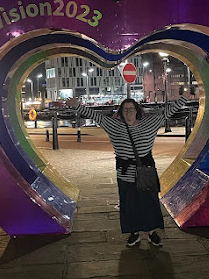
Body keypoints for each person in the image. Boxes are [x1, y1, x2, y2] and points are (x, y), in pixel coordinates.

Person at [66, 95, 188, 247]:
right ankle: (134, 232)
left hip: (146, 172)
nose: (129, 112)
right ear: (121, 112)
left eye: (131, 109)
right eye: (125, 109)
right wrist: (77, 105)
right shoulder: (114, 125)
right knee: (129, 203)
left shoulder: (150, 123)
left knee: (149, 203)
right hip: (125, 173)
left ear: (137, 110)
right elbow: (96, 116)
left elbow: (166, 112)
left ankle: (151, 232)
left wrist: (184, 99)